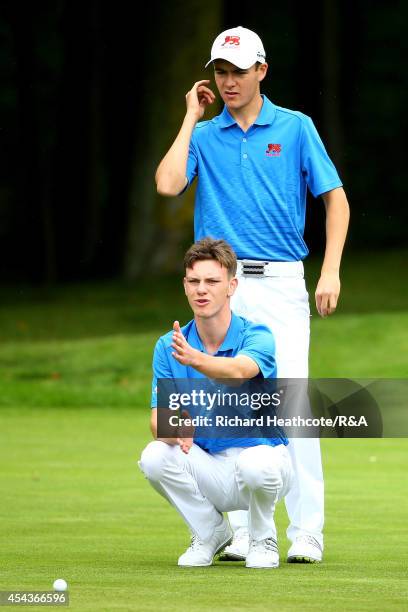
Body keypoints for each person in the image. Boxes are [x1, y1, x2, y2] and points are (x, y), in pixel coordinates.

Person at [154, 26, 350, 563]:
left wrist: (329, 270)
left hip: (283, 281)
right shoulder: (204, 135)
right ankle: (242, 529)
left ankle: (307, 531)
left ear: (261, 70)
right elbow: (169, 184)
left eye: (239, 71)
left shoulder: (294, 127)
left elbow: (335, 200)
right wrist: (191, 116)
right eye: (221, 70)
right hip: (221, 286)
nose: (229, 80)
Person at [139, 238, 293, 568]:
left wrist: (195, 360)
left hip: (265, 462)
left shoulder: (257, 334)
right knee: (153, 457)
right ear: (184, 285)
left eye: (212, 281)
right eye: (194, 281)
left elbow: (239, 371)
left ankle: (262, 536)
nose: (201, 290)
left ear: (231, 286)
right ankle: (210, 532)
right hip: (210, 467)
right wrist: (175, 429)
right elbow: (157, 421)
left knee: (257, 465)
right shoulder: (168, 347)